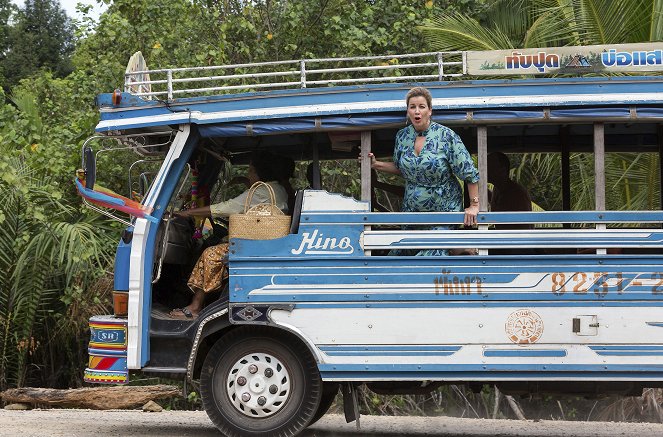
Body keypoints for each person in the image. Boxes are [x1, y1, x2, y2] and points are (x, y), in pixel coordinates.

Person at [169, 151, 288, 319]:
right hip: (269, 243)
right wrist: (246, 183)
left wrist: (189, 213)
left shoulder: (261, 191)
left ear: (261, 172)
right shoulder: (278, 188)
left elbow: (227, 207)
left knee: (210, 253)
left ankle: (195, 307)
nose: (249, 173)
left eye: (251, 171)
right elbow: (255, 201)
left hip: (255, 247)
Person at [368, 86, 480, 256]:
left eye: (421, 106)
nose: (417, 111)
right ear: (408, 112)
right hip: (412, 211)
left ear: (430, 111)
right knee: (400, 254)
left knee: (431, 255)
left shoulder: (446, 136)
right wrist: (376, 164)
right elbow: (402, 169)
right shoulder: (402, 137)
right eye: (412, 107)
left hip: (444, 210)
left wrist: (474, 205)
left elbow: (469, 173)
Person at [487, 152, 532, 221]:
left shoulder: (518, 194)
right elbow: (499, 205)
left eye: (490, 167)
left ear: (503, 170)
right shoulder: (497, 188)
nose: (485, 170)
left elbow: (525, 225)